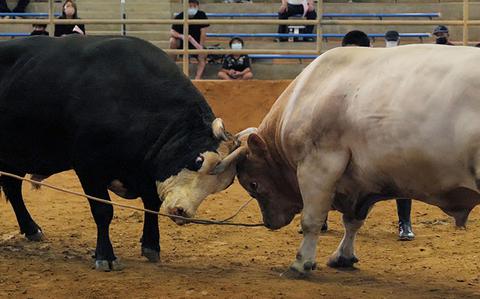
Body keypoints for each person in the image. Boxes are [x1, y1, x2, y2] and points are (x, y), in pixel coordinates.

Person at [315, 30, 416, 241]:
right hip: (344, 132)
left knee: (402, 172)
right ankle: (321, 216)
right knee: (329, 171)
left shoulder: (383, 70)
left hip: (377, 130)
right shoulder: (335, 73)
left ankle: (405, 222)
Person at [170, 0, 209, 80]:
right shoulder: (180, 16)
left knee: (202, 56)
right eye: (189, 6)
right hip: (183, 43)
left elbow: (203, 32)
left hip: (196, 43)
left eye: (194, 6)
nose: (192, 8)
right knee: (172, 41)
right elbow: (172, 32)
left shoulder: (201, 15)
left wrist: (200, 47)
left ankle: (197, 79)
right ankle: (172, 64)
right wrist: (181, 36)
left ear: (197, 6)